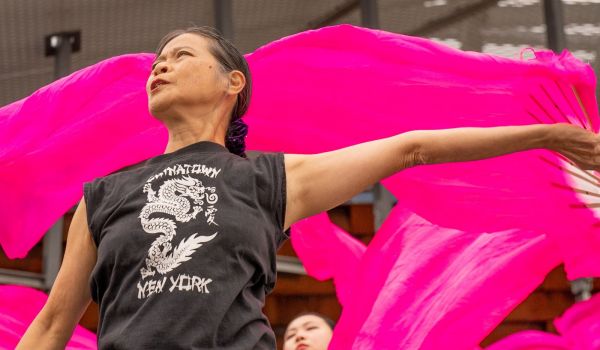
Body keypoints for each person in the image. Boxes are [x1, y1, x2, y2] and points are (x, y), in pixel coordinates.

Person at [16, 26, 600, 349]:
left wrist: (545, 133)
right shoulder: (103, 196)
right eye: (156, 63)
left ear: (231, 84)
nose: (159, 67)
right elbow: (50, 326)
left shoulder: (271, 178)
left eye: (180, 56)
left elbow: (411, 146)